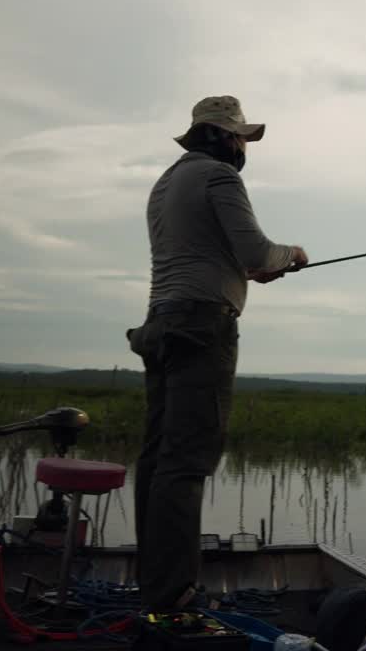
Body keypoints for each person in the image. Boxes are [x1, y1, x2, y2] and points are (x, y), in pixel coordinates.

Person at [125, 95, 307, 612]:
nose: (243, 147)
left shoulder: (166, 182)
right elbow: (257, 253)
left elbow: (222, 256)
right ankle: (175, 596)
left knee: (159, 458)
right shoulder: (221, 177)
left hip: (160, 324)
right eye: (241, 138)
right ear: (225, 137)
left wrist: (256, 269)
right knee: (186, 462)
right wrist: (291, 255)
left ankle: (155, 586)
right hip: (203, 326)